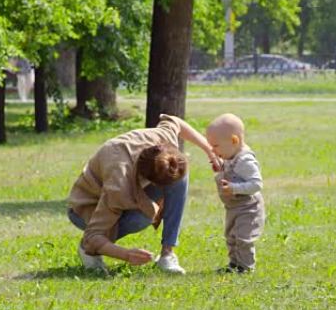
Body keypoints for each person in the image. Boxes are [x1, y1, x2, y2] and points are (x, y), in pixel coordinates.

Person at [67, 114, 220, 275]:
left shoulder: (163, 139)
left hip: (128, 180)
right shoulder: (119, 185)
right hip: (86, 208)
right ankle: (87, 250)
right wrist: (125, 254)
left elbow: (176, 123)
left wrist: (209, 151)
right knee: (141, 218)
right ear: (150, 182)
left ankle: (167, 254)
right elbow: (93, 235)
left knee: (180, 176)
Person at [206, 113, 265, 273]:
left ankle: (245, 267)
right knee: (231, 236)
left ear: (234, 141)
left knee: (243, 238)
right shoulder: (231, 154)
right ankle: (234, 264)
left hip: (248, 207)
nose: (212, 150)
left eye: (216, 146)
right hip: (233, 207)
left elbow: (256, 184)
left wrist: (234, 187)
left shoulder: (245, 160)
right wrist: (220, 167)